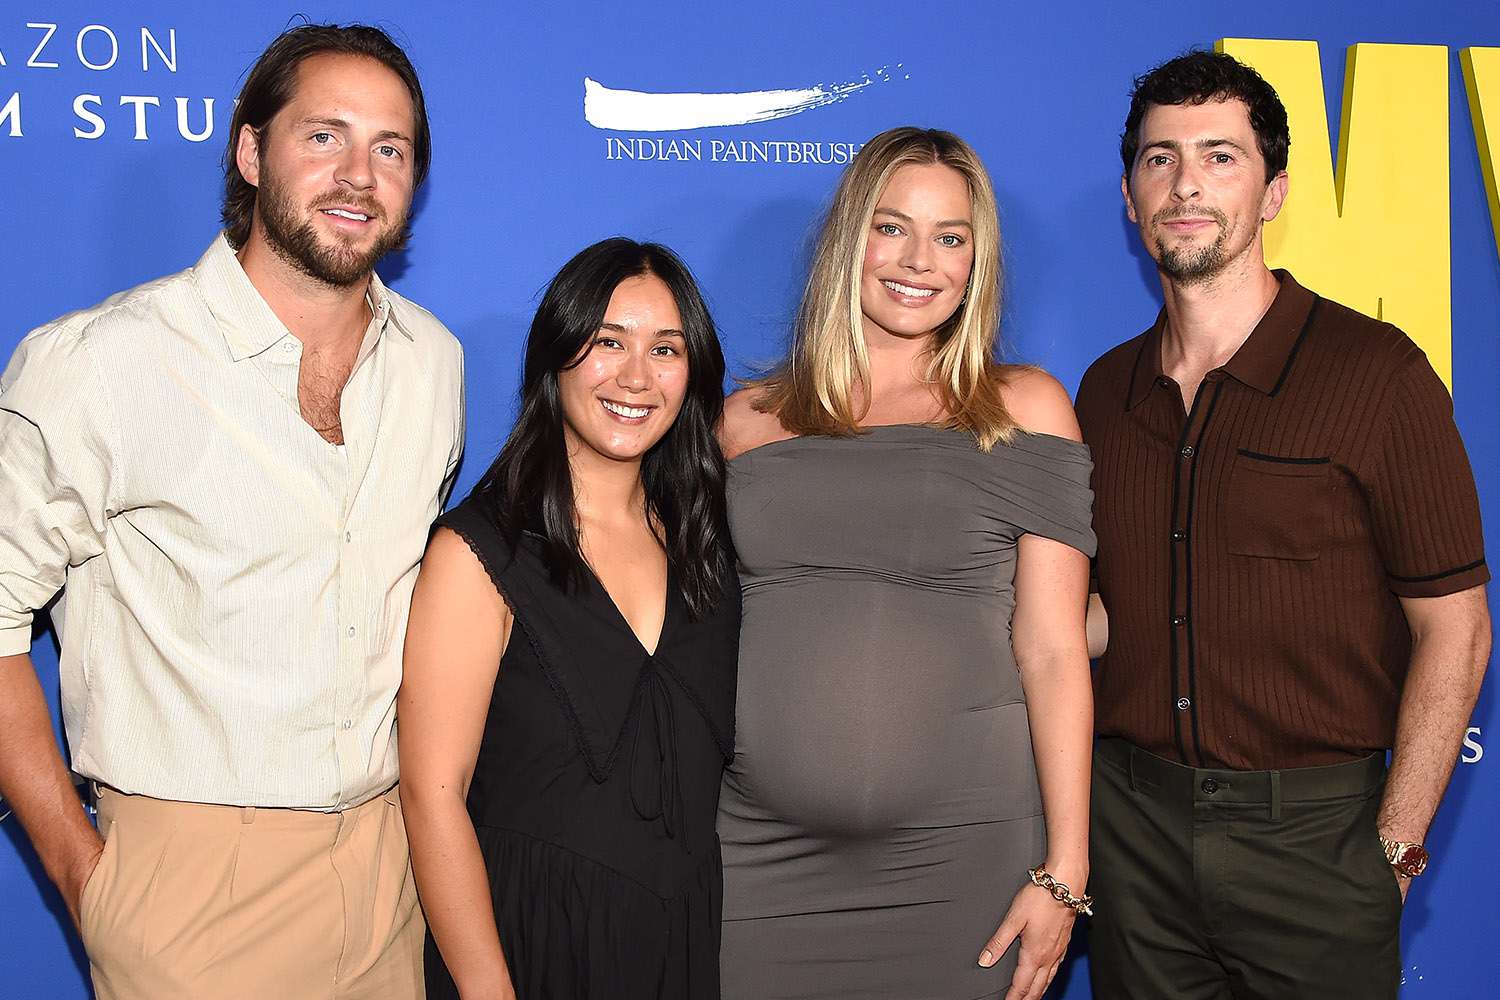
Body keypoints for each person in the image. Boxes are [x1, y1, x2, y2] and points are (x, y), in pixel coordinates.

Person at [0, 24, 463, 1000]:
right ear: (251, 152)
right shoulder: (98, 364)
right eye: (323, 136)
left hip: (389, 878)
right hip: (188, 891)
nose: (358, 175)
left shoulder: (433, 363)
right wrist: (91, 880)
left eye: (391, 148)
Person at [1076, 50, 1492, 1000]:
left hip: (1316, 840)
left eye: (1220, 156)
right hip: (1131, 839)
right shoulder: (1103, 392)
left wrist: (1391, 852)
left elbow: (1457, 631)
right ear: (1132, 198)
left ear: (1274, 192)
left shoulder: (1376, 374)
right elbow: (1089, 613)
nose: (1186, 184)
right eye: (1159, 158)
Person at [717, 127, 1096, 1000]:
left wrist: (1064, 868)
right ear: (850, 239)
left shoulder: (1025, 409)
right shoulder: (746, 421)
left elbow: (1052, 647)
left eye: (951, 237)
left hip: (966, 862)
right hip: (760, 861)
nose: (918, 260)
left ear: (978, 258)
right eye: (892, 227)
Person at [401, 238, 739, 1000]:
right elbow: (432, 795)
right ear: (556, 356)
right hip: (529, 947)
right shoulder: (477, 553)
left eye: (666, 350)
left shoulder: (711, 546)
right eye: (607, 342)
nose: (635, 377)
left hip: (680, 949)